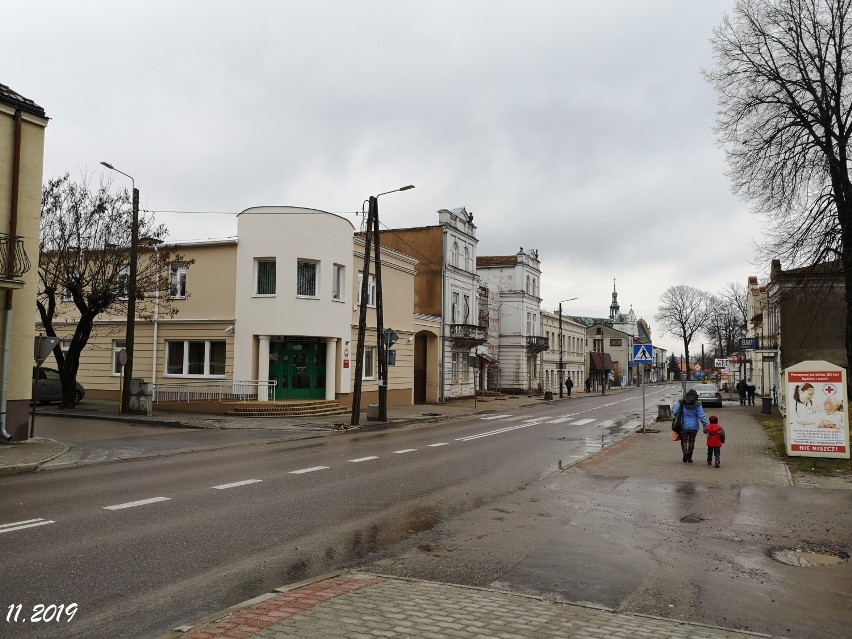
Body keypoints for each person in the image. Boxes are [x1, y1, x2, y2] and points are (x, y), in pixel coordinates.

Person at [673, 388, 708, 464]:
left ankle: (685, 452)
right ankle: (689, 458)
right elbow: (701, 416)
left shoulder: (681, 402)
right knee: (691, 442)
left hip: (683, 426)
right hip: (694, 427)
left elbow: (675, 411)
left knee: (684, 441)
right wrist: (705, 424)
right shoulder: (697, 404)